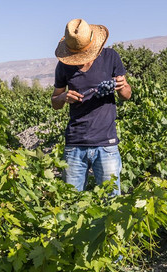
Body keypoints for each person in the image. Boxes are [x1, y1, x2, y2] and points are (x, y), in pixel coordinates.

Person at [51, 18, 132, 196]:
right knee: (70, 202)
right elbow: (54, 102)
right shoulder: (63, 65)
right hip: (75, 144)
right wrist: (64, 97)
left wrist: (122, 86)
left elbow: (126, 95)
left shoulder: (111, 57)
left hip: (106, 144)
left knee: (112, 205)